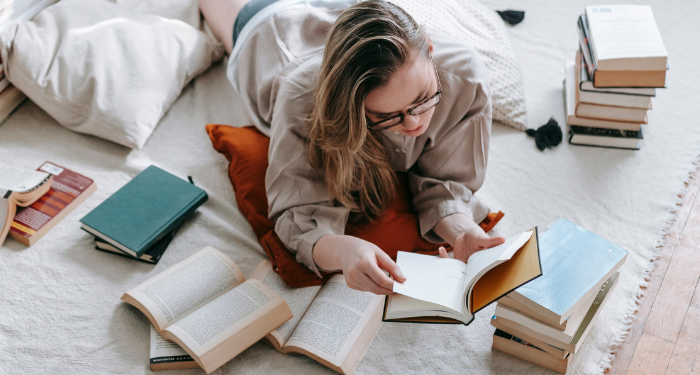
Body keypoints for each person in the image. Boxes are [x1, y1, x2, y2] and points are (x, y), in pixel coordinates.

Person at [200, 0, 506, 295]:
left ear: (429, 47)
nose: (413, 124)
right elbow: (299, 215)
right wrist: (343, 250)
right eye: (385, 116)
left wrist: (462, 231)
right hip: (268, 26)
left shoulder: (464, 74)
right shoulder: (300, 100)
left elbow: (448, 182)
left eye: (423, 97)